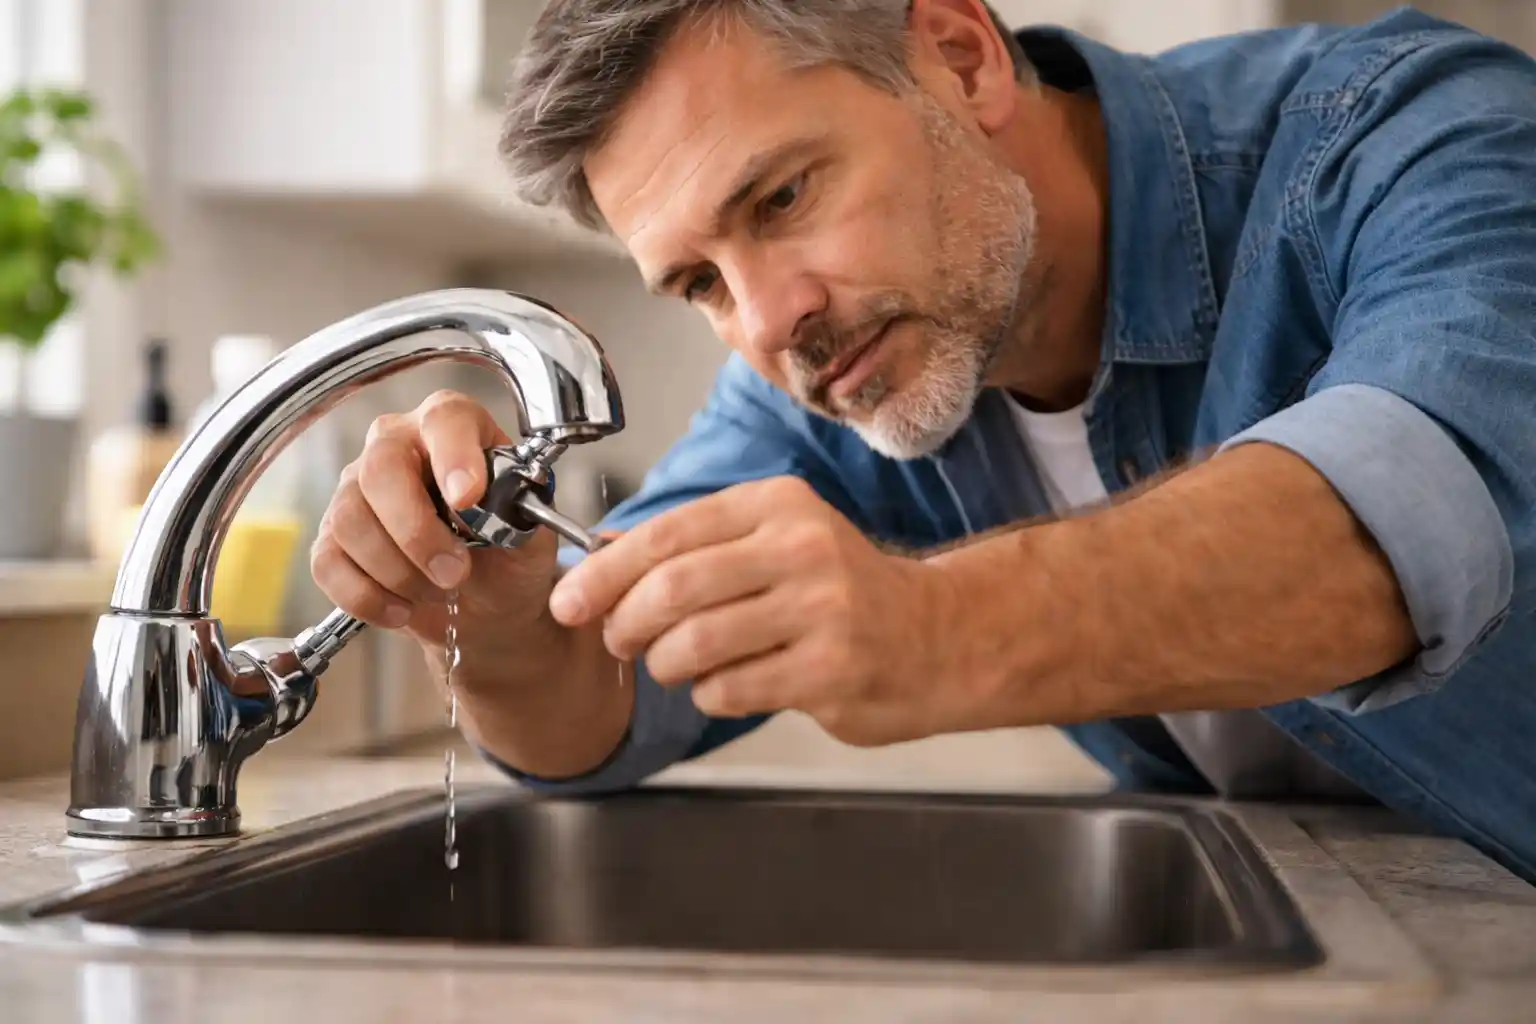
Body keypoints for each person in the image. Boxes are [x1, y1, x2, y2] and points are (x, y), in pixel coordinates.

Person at [310, 1, 1536, 882]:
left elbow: (1409, 519)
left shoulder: (1412, 132)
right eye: (698, 283)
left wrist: (939, 624)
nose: (770, 320)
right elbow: (601, 709)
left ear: (958, 56)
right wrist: (499, 611)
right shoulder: (838, 374)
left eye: (783, 197)